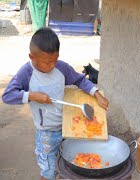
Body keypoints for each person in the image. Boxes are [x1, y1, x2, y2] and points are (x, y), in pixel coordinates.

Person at [2, 27, 109, 180]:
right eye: (47, 62)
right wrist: (32, 96)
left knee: (69, 161)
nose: (52, 65)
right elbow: (7, 96)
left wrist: (96, 94)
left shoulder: (61, 67)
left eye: (55, 60)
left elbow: (79, 79)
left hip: (67, 127)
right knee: (49, 170)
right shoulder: (26, 73)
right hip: (46, 132)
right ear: (32, 57)